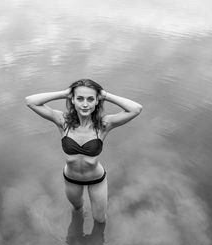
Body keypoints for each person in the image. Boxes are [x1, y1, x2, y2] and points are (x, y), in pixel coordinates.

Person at [25, 79, 142, 223]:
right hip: (71, 179)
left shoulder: (104, 124)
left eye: (90, 99)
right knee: (77, 209)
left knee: (99, 220)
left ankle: (95, 244)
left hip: (96, 180)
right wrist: (64, 93)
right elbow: (30, 101)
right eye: (80, 98)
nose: (85, 104)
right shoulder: (63, 122)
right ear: (72, 100)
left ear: (97, 101)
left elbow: (136, 109)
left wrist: (104, 95)